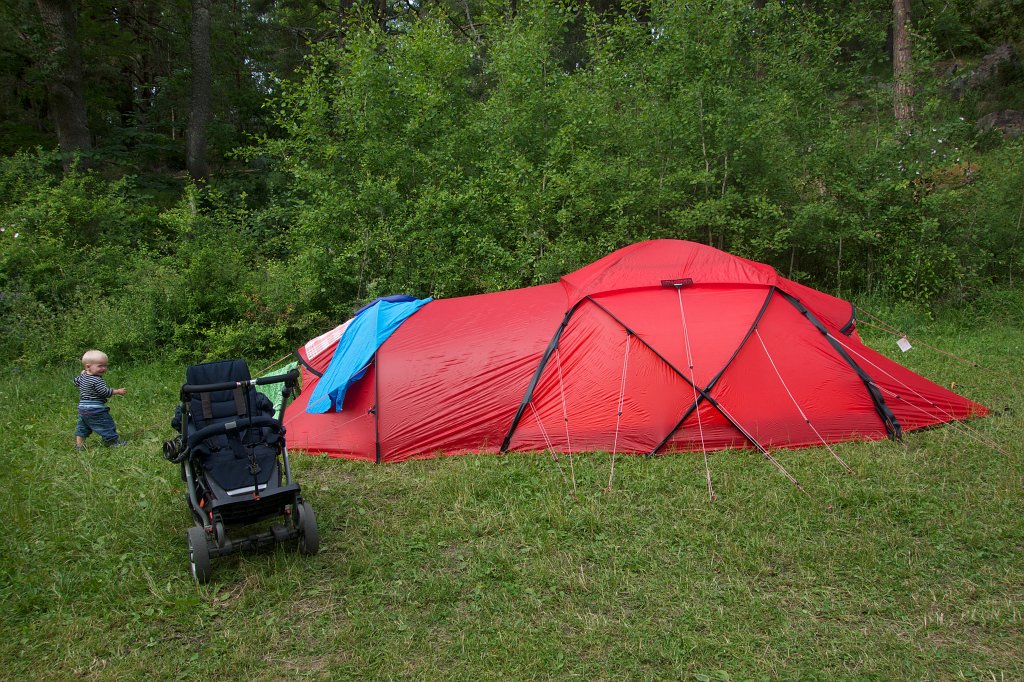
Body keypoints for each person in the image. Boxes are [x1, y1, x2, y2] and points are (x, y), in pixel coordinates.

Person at [73, 349, 127, 449]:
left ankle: (79, 445)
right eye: (100, 366)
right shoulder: (97, 380)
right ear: (88, 367)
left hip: (82, 408)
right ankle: (112, 442)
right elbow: (104, 392)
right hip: (95, 409)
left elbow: (76, 382)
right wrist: (117, 391)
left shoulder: (83, 377)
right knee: (106, 424)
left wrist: (82, 374)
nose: (104, 368)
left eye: (105, 366)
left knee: (83, 427)